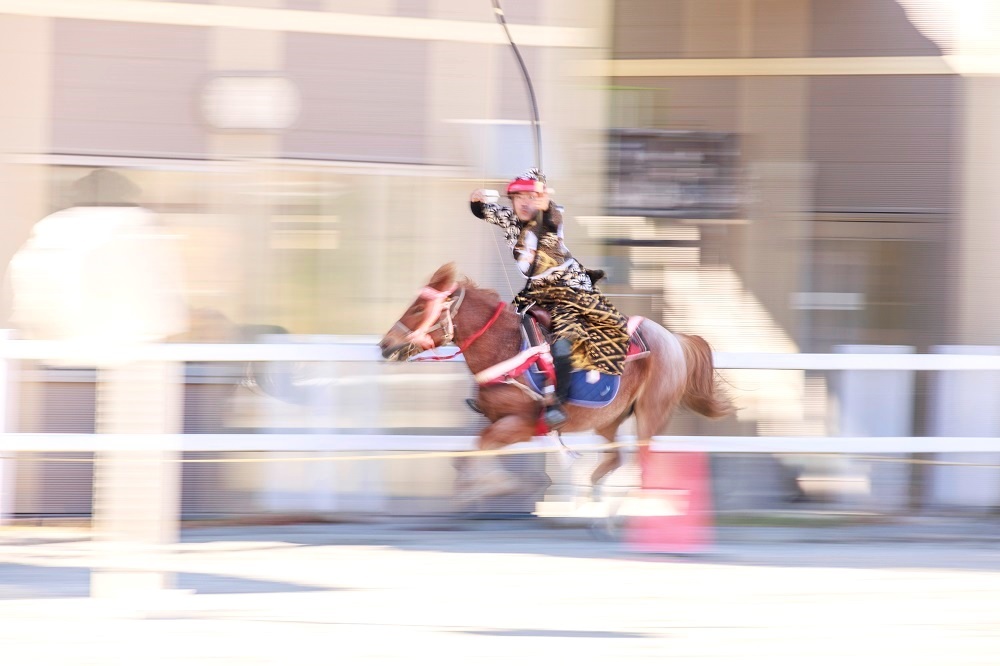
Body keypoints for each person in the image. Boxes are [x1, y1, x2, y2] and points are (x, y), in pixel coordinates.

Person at [469, 168, 630, 429]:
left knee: (564, 339)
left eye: (531, 197)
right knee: (500, 333)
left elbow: (551, 221)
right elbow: (485, 212)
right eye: (518, 197)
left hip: (569, 292)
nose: (524, 202)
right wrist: (476, 202)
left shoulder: (550, 217)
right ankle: (495, 392)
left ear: (541, 199)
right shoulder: (511, 220)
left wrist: (546, 206)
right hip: (537, 292)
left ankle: (558, 403)